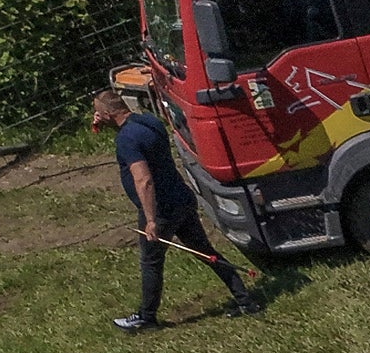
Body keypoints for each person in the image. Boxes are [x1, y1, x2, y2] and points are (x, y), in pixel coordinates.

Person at [93, 92, 259, 333]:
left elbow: (144, 180)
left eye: (99, 113)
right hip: (181, 197)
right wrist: (107, 124)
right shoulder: (148, 121)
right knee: (205, 251)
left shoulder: (126, 139)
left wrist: (150, 220)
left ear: (107, 114)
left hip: (161, 210)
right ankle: (244, 299)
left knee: (151, 262)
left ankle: (146, 318)